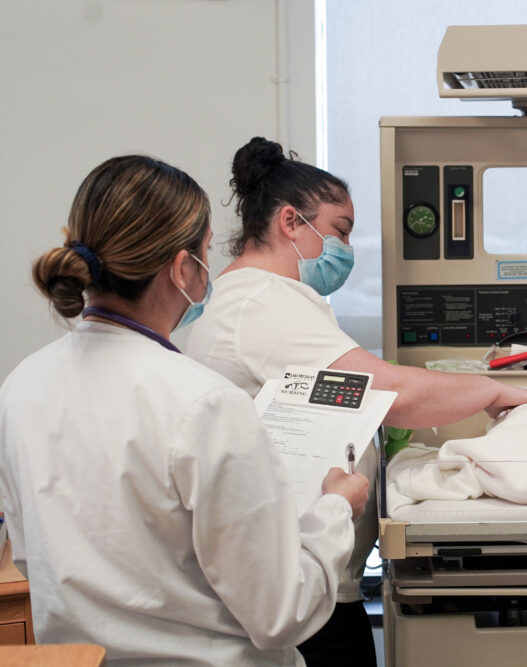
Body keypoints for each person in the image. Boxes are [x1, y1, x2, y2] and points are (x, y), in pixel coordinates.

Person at [185, 136, 527, 666]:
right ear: (291, 222)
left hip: (301, 571)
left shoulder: (253, 299)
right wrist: (492, 390)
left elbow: (339, 398)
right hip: (298, 583)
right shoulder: (260, 303)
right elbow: (386, 390)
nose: (346, 251)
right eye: (338, 231)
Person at [0, 155, 370, 665]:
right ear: (181, 268)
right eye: (203, 251)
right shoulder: (205, 403)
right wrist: (335, 510)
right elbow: (279, 612)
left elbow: (27, 555)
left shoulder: (21, 387)